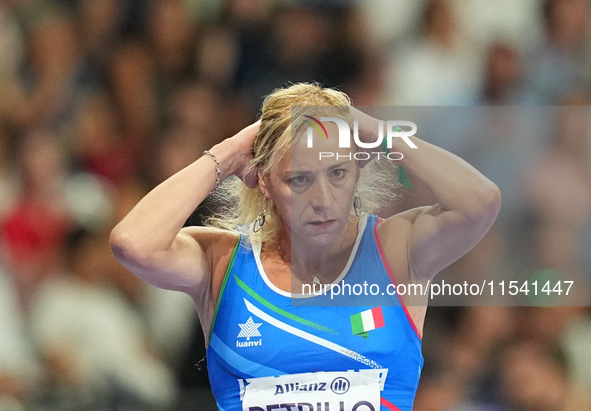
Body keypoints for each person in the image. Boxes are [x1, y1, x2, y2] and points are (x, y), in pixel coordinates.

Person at [110, 83, 501, 411]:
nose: (323, 199)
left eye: (337, 173)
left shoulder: (396, 251)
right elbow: (132, 243)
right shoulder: (224, 261)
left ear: (358, 166)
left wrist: (376, 130)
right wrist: (229, 152)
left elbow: (481, 201)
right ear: (263, 181)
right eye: (299, 179)